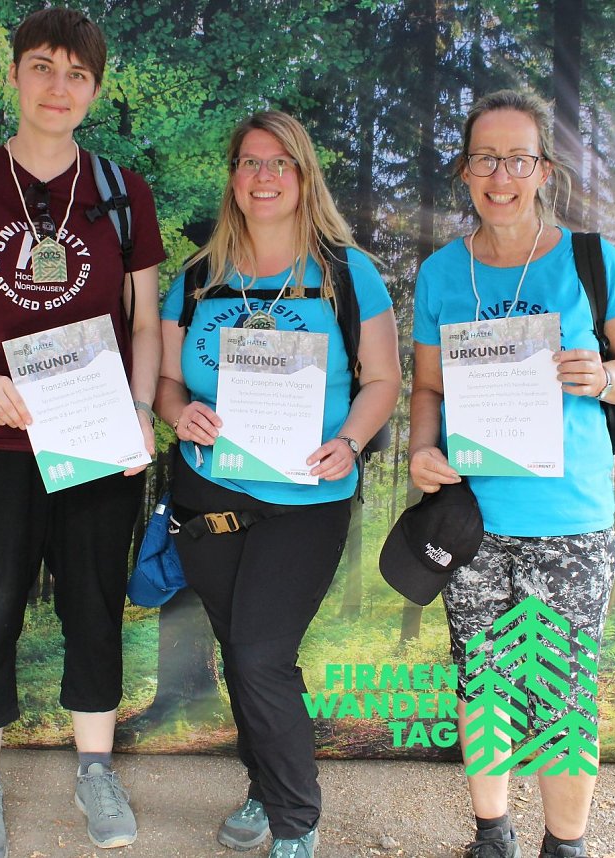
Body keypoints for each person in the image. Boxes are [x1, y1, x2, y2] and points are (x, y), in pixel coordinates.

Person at [0, 9, 165, 857]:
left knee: (95, 611)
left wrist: (137, 410)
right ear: (14, 75)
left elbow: (148, 324)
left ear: (95, 89)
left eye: (78, 74)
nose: (60, 87)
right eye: (44, 67)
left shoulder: (123, 193)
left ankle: (96, 771)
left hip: (94, 441)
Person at [409, 89, 615, 858]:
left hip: (570, 518)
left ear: (543, 169)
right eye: (485, 157)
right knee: (481, 685)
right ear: (464, 169)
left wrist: (603, 376)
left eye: (518, 158)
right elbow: (426, 386)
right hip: (472, 519)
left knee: (561, 698)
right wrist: (423, 450)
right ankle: (492, 834)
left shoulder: (590, 259)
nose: (501, 175)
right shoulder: (441, 273)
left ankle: (566, 844)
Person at [155, 111, 401, 858]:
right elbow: (167, 381)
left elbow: (384, 379)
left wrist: (351, 440)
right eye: (250, 161)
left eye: (280, 163)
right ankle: (264, 787)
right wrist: (178, 413)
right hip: (210, 500)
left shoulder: (348, 273)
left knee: (261, 653)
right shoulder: (197, 279)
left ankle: (295, 821)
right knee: (240, 653)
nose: (263, 176)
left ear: (303, 177)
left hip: (306, 499)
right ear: (233, 175)